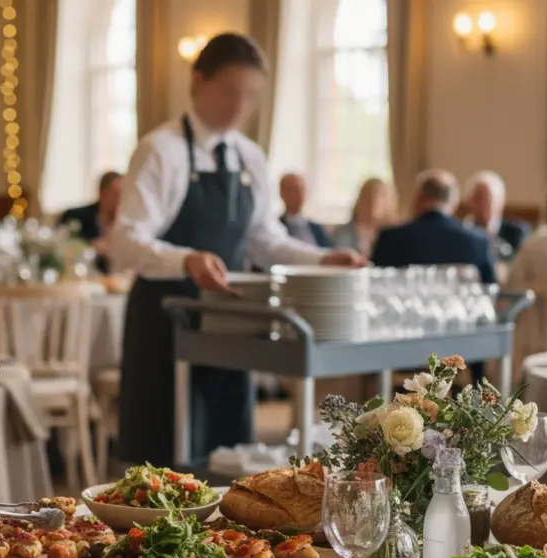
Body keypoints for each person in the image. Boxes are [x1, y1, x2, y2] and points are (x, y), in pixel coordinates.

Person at [110, 33, 362, 466]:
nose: (239, 106)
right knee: (166, 462)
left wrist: (322, 260)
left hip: (231, 322)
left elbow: (264, 240)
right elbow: (126, 242)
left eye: (251, 95)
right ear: (198, 81)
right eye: (230, 91)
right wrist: (185, 260)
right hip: (168, 321)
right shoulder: (161, 150)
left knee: (231, 459)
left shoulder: (250, 157)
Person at [371, 170, 496, 283]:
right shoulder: (479, 241)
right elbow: (490, 290)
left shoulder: (391, 238)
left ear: (419, 197)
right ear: (454, 201)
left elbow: (376, 286)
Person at [60, 170, 122, 273]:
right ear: (102, 194)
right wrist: (91, 246)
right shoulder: (75, 216)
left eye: (122, 194)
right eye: (115, 194)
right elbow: (63, 246)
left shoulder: (129, 223)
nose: (119, 199)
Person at [463, 170, 531, 259]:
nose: (484, 204)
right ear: (469, 202)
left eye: (489, 199)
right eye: (478, 198)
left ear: (501, 202)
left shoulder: (518, 233)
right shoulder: (460, 232)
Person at [331, 177, 397, 254]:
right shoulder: (341, 233)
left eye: (381, 196)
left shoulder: (395, 235)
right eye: (369, 196)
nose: (374, 201)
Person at [278, 173, 331, 247]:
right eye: (294, 189)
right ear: (282, 193)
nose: (299, 194)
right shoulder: (275, 227)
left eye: (302, 189)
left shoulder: (317, 229)